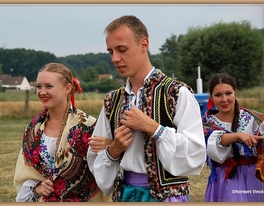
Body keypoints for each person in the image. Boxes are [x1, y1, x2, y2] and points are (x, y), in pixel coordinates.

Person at [87, 15, 206, 202]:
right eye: (111, 52)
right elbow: (96, 159)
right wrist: (114, 149)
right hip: (125, 195)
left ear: (144, 44)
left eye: (122, 49)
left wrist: (154, 129)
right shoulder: (112, 100)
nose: (115, 59)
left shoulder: (176, 93)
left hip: (167, 198)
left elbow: (196, 153)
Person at [13, 62, 112, 202]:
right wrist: (36, 187)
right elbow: (25, 172)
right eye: (39, 86)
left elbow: (105, 168)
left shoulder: (89, 126)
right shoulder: (33, 129)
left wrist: (110, 145)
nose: (42, 92)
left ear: (67, 88)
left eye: (49, 86)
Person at [202, 73, 264, 202]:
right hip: (223, 179)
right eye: (218, 95)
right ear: (211, 98)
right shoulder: (205, 122)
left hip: (254, 178)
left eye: (228, 93)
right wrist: (237, 135)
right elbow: (212, 142)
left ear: (235, 92)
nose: (224, 99)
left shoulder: (255, 118)